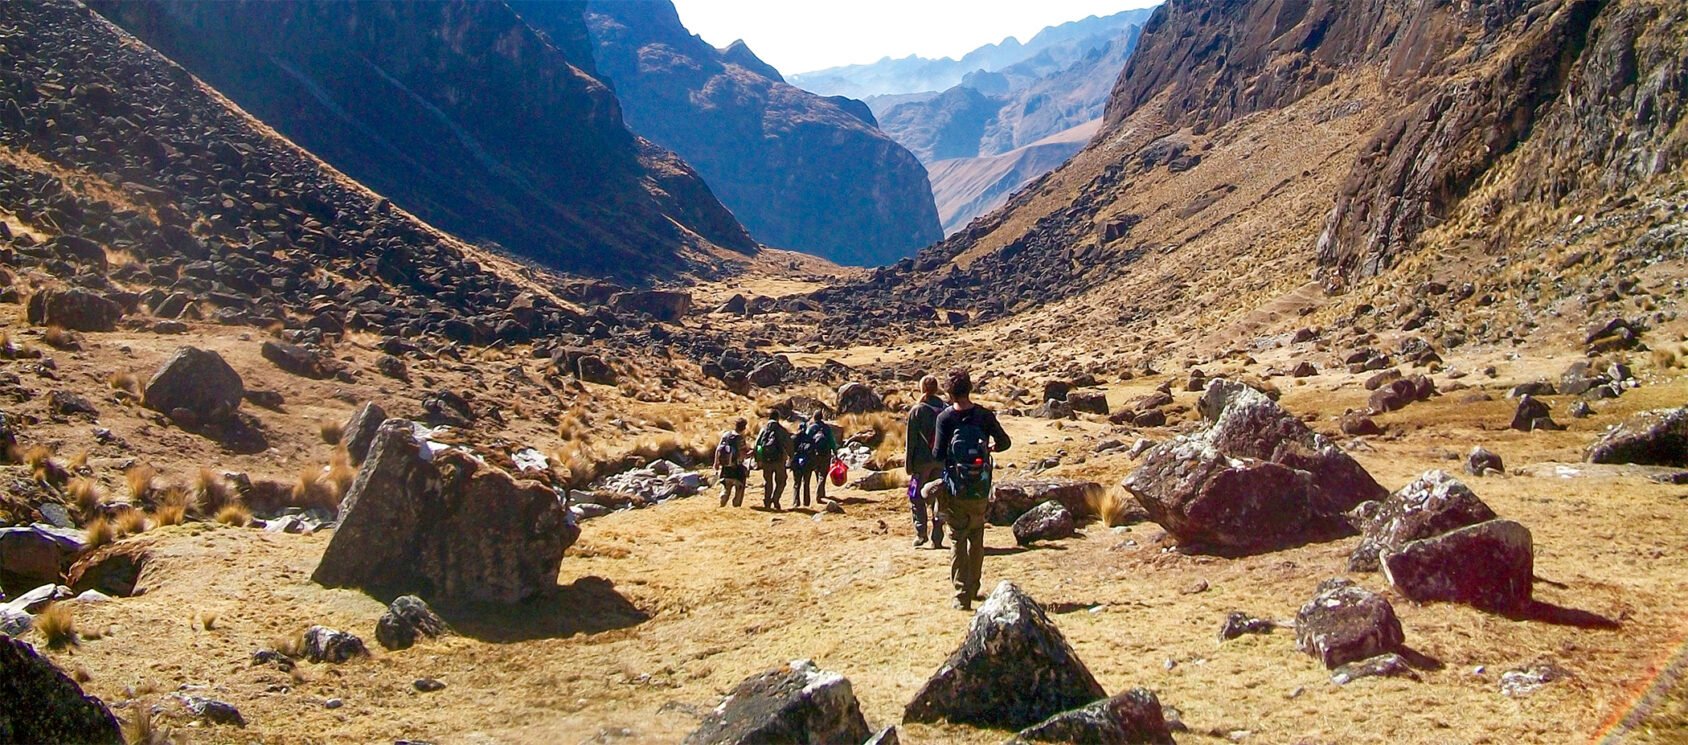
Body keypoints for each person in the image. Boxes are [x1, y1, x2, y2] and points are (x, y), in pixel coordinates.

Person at [923, 368, 1011, 610]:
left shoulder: (945, 418)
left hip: (956, 488)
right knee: (977, 536)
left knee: (957, 539)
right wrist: (988, 451)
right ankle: (974, 587)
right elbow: (1005, 442)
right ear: (969, 389)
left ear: (949, 392)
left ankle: (961, 595)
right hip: (981, 487)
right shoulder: (984, 415)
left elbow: (938, 455)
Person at [905, 375, 946, 549]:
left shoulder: (917, 411)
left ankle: (921, 533)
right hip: (942, 461)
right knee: (939, 497)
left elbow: (911, 441)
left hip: (921, 462)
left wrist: (909, 465)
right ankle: (937, 535)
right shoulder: (946, 408)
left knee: (915, 496)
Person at [791, 410, 838, 508]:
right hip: (826, 453)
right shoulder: (826, 428)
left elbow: (806, 440)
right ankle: (820, 493)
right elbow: (831, 441)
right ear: (822, 417)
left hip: (814, 455)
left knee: (814, 474)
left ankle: (799, 501)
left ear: (814, 417)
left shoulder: (811, 428)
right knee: (823, 474)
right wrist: (835, 452)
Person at [753, 412, 794, 510]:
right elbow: (788, 445)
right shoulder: (781, 430)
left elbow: (757, 445)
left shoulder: (764, 430)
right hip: (779, 460)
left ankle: (767, 502)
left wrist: (758, 459)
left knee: (768, 482)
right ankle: (775, 499)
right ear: (777, 418)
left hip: (766, 460)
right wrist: (791, 456)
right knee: (781, 481)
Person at [714, 418, 749, 507]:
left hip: (726, 467)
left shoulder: (726, 435)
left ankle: (723, 499)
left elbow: (718, 449)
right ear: (744, 427)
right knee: (739, 487)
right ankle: (736, 504)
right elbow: (742, 454)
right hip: (736, 468)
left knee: (726, 486)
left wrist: (716, 462)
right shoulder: (740, 439)